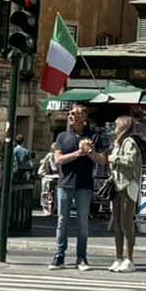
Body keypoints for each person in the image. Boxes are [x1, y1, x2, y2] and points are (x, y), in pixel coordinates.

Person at [52, 106, 102, 271]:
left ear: (83, 117)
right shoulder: (62, 136)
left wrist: (90, 152)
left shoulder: (93, 136)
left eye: (73, 113)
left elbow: (102, 160)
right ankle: (59, 255)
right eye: (70, 113)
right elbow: (58, 159)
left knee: (82, 223)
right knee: (62, 221)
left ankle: (81, 257)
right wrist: (79, 153)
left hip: (84, 185)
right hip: (65, 184)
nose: (70, 116)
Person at [108, 114, 145, 273]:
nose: (114, 129)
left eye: (116, 125)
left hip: (128, 184)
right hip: (118, 184)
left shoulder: (129, 142)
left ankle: (129, 259)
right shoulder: (118, 143)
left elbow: (130, 160)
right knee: (117, 223)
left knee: (125, 223)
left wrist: (113, 158)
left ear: (122, 127)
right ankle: (119, 257)